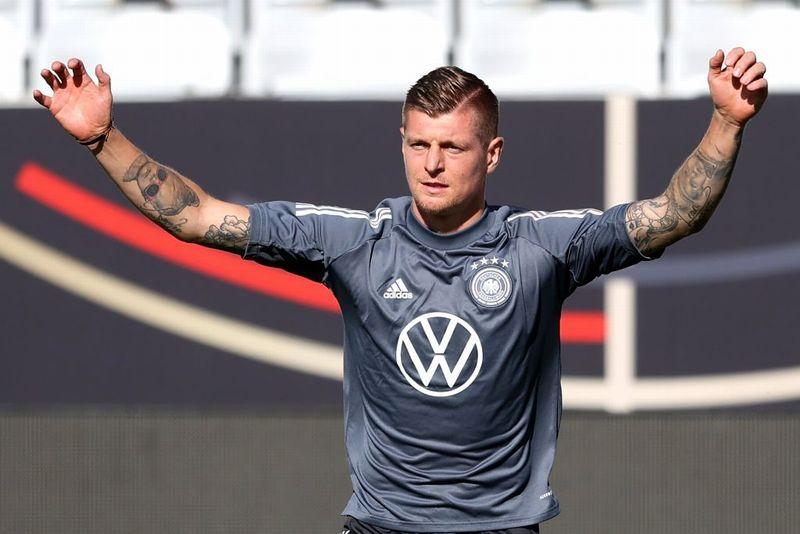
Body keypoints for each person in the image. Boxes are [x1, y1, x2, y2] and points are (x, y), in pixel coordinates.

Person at [34, 48, 767, 533]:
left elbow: (673, 215)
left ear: (492, 153)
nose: (432, 163)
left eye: (452, 146)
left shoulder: (542, 247)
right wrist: (102, 139)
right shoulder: (354, 243)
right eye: (419, 143)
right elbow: (195, 216)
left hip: (501, 528)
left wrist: (725, 123)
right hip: (380, 526)